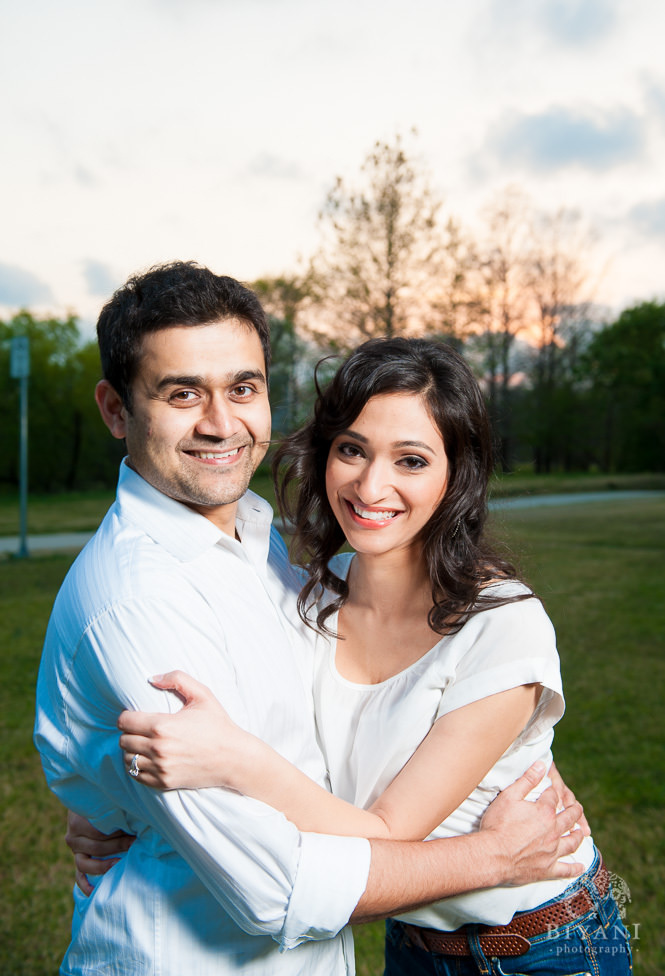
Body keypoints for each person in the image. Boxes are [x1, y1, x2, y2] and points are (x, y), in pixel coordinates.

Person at [35, 264, 585, 976]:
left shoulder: (272, 561)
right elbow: (277, 887)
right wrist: (492, 857)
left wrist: (119, 796)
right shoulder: (157, 600)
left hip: (532, 948)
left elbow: (291, 761)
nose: (220, 422)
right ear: (116, 411)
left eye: (242, 388)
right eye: (181, 394)